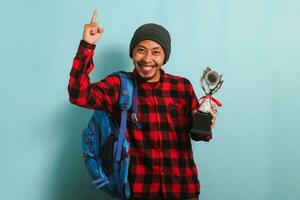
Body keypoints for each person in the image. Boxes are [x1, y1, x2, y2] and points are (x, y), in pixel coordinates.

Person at [68, 10, 215, 200]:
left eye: (156, 52)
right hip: (140, 190)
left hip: (183, 189)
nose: (147, 59)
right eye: (141, 50)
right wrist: (87, 45)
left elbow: (196, 135)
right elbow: (78, 95)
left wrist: (205, 123)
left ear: (164, 56)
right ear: (132, 53)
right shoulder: (118, 85)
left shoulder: (182, 87)